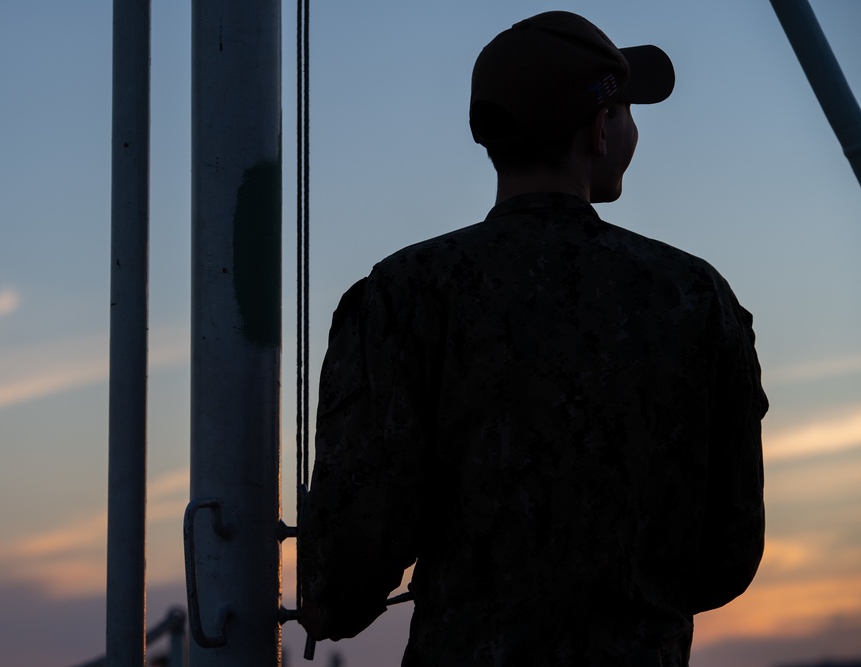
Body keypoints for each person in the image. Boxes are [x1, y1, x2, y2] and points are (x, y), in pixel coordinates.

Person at [298, 11, 767, 667]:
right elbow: (729, 555)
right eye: (628, 111)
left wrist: (333, 600)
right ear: (601, 130)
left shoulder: (406, 293)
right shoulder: (695, 297)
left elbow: (346, 568)